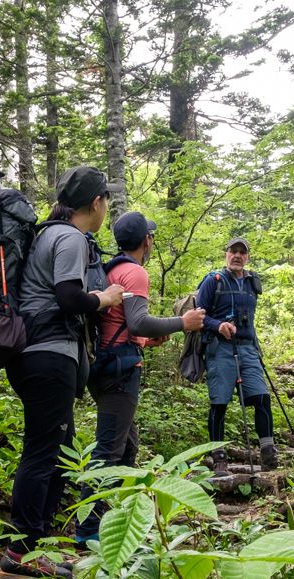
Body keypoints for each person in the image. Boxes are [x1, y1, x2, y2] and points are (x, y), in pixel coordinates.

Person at [0, 165, 124, 579]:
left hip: (38, 355)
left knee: (59, 451)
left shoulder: (49, 234)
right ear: (96, 202)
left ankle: (37, 547)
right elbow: (69, 297)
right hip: (46, 355)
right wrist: (104, 298)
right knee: (42, 452)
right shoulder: (69, 236)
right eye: (105, 200)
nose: (106, 207)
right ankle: (22, 551)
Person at [74, 211, 206, 547]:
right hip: (119, 370)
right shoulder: (134, 271)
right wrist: (183, 323)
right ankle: (89, 529)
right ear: (146, 240)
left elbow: (120, 326)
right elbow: (138, 322)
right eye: (152, 237)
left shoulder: (111, 269)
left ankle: (118, 519)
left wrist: (145, 341)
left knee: (127, 445)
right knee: (109, 449)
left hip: (103, 365)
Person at [197, 237, 277, 471]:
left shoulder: (253, 282)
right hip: (219, 347)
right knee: (219, 402)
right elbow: (198, 316)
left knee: (262, 397)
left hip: (247, 347)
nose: (237, 256)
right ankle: (218, 457)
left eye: (242, 252)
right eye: (233, 251)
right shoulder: (214, 281)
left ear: (247, 257)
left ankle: (268, 453)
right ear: (226, 254)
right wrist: (218, 325)